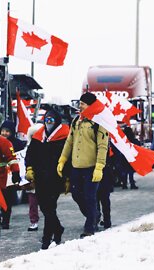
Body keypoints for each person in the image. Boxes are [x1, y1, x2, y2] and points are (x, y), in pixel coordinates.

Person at [57, 92, 109, 238]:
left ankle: (89, 227)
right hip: (76, 167)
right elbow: (69, 141)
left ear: (90, 105)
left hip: (91, 167)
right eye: (80, 103)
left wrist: (99, 166)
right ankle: (94, 215)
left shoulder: (99, 122)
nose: (80, 106)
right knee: (76, 195)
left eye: (83, 104)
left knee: (90, 196)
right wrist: (62, 159)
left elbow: (102, 146)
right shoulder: (76, 121)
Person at [25, 109, 69, 249]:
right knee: (44, 207)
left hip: (56, 177)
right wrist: (29, 168)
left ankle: (46, 239)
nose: (48, 122)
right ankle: (58, 228)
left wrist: (68, 177)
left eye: (51, 120)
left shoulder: (64, 136)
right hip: (40, 177)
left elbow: (68, 158)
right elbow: (30, 154)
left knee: (50, 207)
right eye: (47, 119)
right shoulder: (38, 136)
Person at [0, 120, 27, 229]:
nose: (4, 133)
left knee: (7, 199)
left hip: (10, 176)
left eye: (7, 131)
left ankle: (5, 220)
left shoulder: (17, 143)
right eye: (3, 131)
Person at [24, 123, 43, 232]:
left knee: (46, 202)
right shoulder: (28, 148)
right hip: (31, 178)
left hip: (44, 178)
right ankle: (33, 221)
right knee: (32, 202)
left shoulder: (47, 146)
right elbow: (26, 161)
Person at [97, 142, 115, 229]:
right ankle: (107, 221)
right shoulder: (108, 147)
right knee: (105, 201)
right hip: (106, 175)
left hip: (100, 174)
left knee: (96, 200)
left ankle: (96, 219)